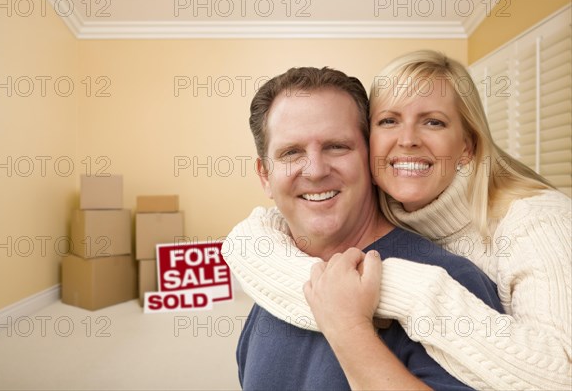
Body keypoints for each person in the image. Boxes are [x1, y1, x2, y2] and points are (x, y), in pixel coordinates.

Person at [224, 50, 572, 390]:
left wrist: (366, 314)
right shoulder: (277, 277)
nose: (315, 170)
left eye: (336, 146)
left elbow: (560, 376)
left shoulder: (519, 234)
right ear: (264, 175)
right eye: (291, 152)